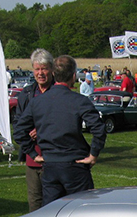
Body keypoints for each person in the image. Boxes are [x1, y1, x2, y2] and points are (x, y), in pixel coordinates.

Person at [14, 55, 107, 206]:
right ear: (74, 76)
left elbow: (19, 130)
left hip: (50, 165)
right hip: (75, 164)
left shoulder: (37, 102)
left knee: (52, 214)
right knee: (81, 211)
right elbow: (99, 128)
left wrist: (33, 154)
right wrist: (93, 154)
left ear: (53, 74)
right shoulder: (79, 100)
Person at [15, 48, 54, 212]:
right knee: (34, 202)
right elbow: (17, 123)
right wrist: (27, 135)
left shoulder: (58, 92)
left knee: (53, 202)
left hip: (53, 157)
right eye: (37, 69)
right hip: (32, 157)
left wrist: (41, 129)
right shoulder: (27, 94)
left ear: (51, 69)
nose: (40, 73)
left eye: (44, 68)